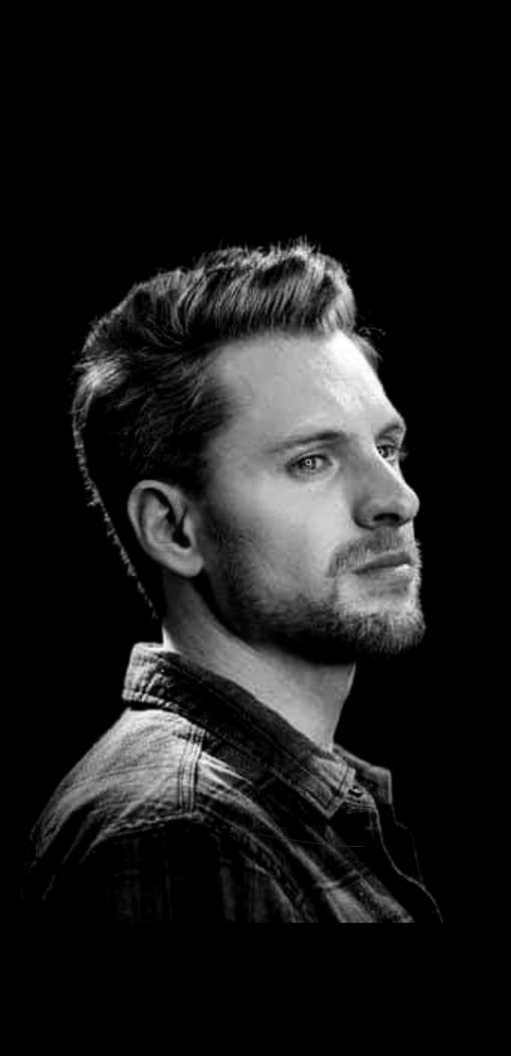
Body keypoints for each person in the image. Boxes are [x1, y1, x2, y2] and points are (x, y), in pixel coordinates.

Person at [22, 239, 443, 923]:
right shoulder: (184, 833)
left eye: (386, 448)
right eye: (311, 461)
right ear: (172, 529)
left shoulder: (274, 812)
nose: (396, 499)